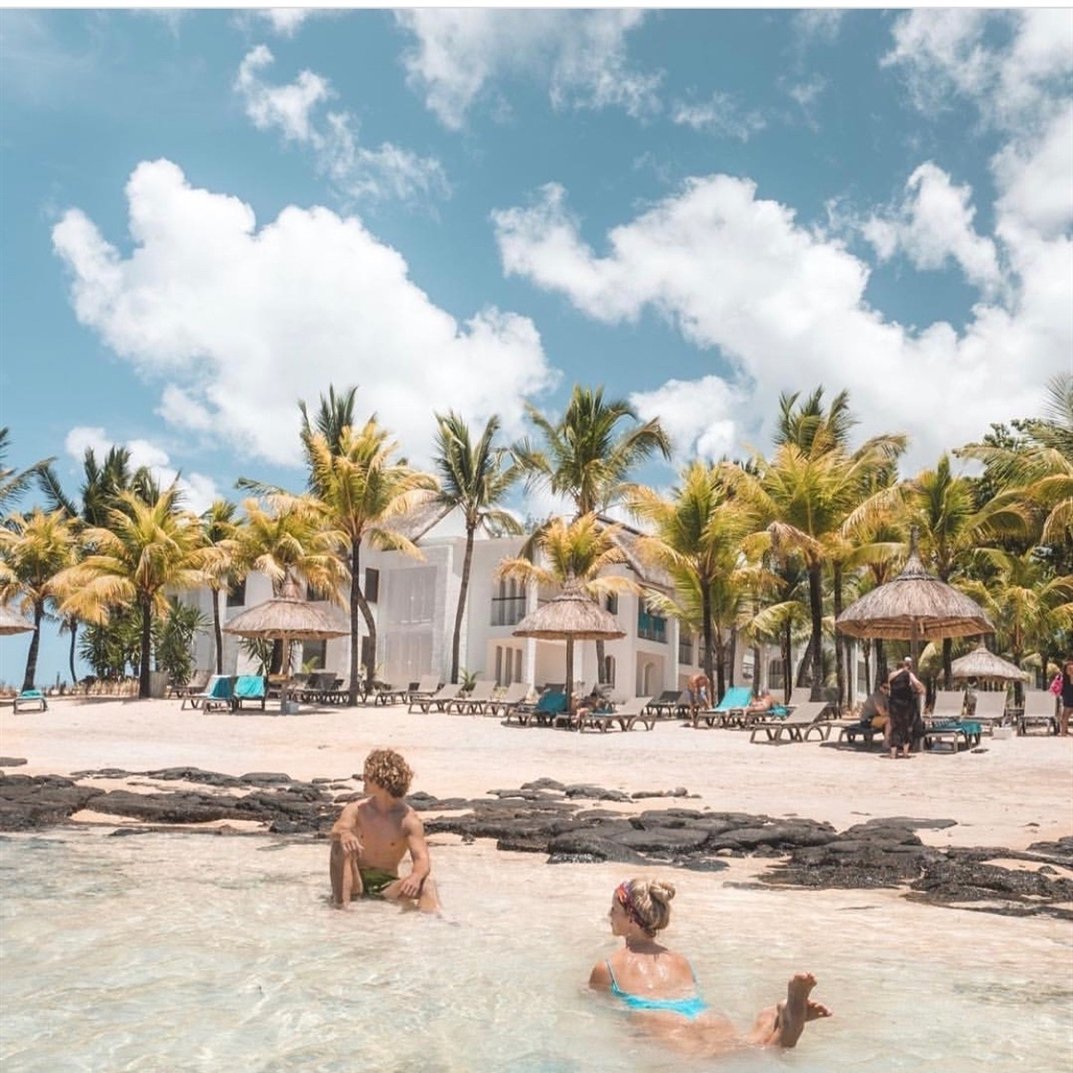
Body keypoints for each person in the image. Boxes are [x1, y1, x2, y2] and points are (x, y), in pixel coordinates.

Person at [589, 877, 831, 1055]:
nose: (610, 914)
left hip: (660, 1019)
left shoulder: (607, 968)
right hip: (702, 1013)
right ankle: (774, 1020)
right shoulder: (679, 960)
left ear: (631, 919)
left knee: (703, 1064)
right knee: (752, 1051)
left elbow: (601, 1012)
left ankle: (779, 1020)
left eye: (615, 909)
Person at [329, 748, 441, 912]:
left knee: (427, 885)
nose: (363, 779)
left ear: (382, 779)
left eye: (368, 775)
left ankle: (434, 924)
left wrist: (416, 877)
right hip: (354, 881)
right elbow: (339, 827)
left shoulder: (408, 820)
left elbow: (422, 859)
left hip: (387, 884)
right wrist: (345, 834)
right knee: (339, 843)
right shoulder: (356, 809)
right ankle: (341, 912)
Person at [887, 657, 925, 759]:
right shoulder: (908, 674)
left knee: (895, 727)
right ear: (905, 666)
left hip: (894, 704)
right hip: (905, 704)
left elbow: (890, 689)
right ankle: (905, 753)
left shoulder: (891, 675)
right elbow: (917, 683)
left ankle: (893, 754)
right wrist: (922, 690)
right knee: (906, 727)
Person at [1060, 659, 1073, 737]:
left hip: (1066, 695)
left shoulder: (1063, 675)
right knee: (1066, 715)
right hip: (1070, 695)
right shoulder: (1070, 673)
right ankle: (1063, 732)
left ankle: (1064, 731)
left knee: (1065, 715)